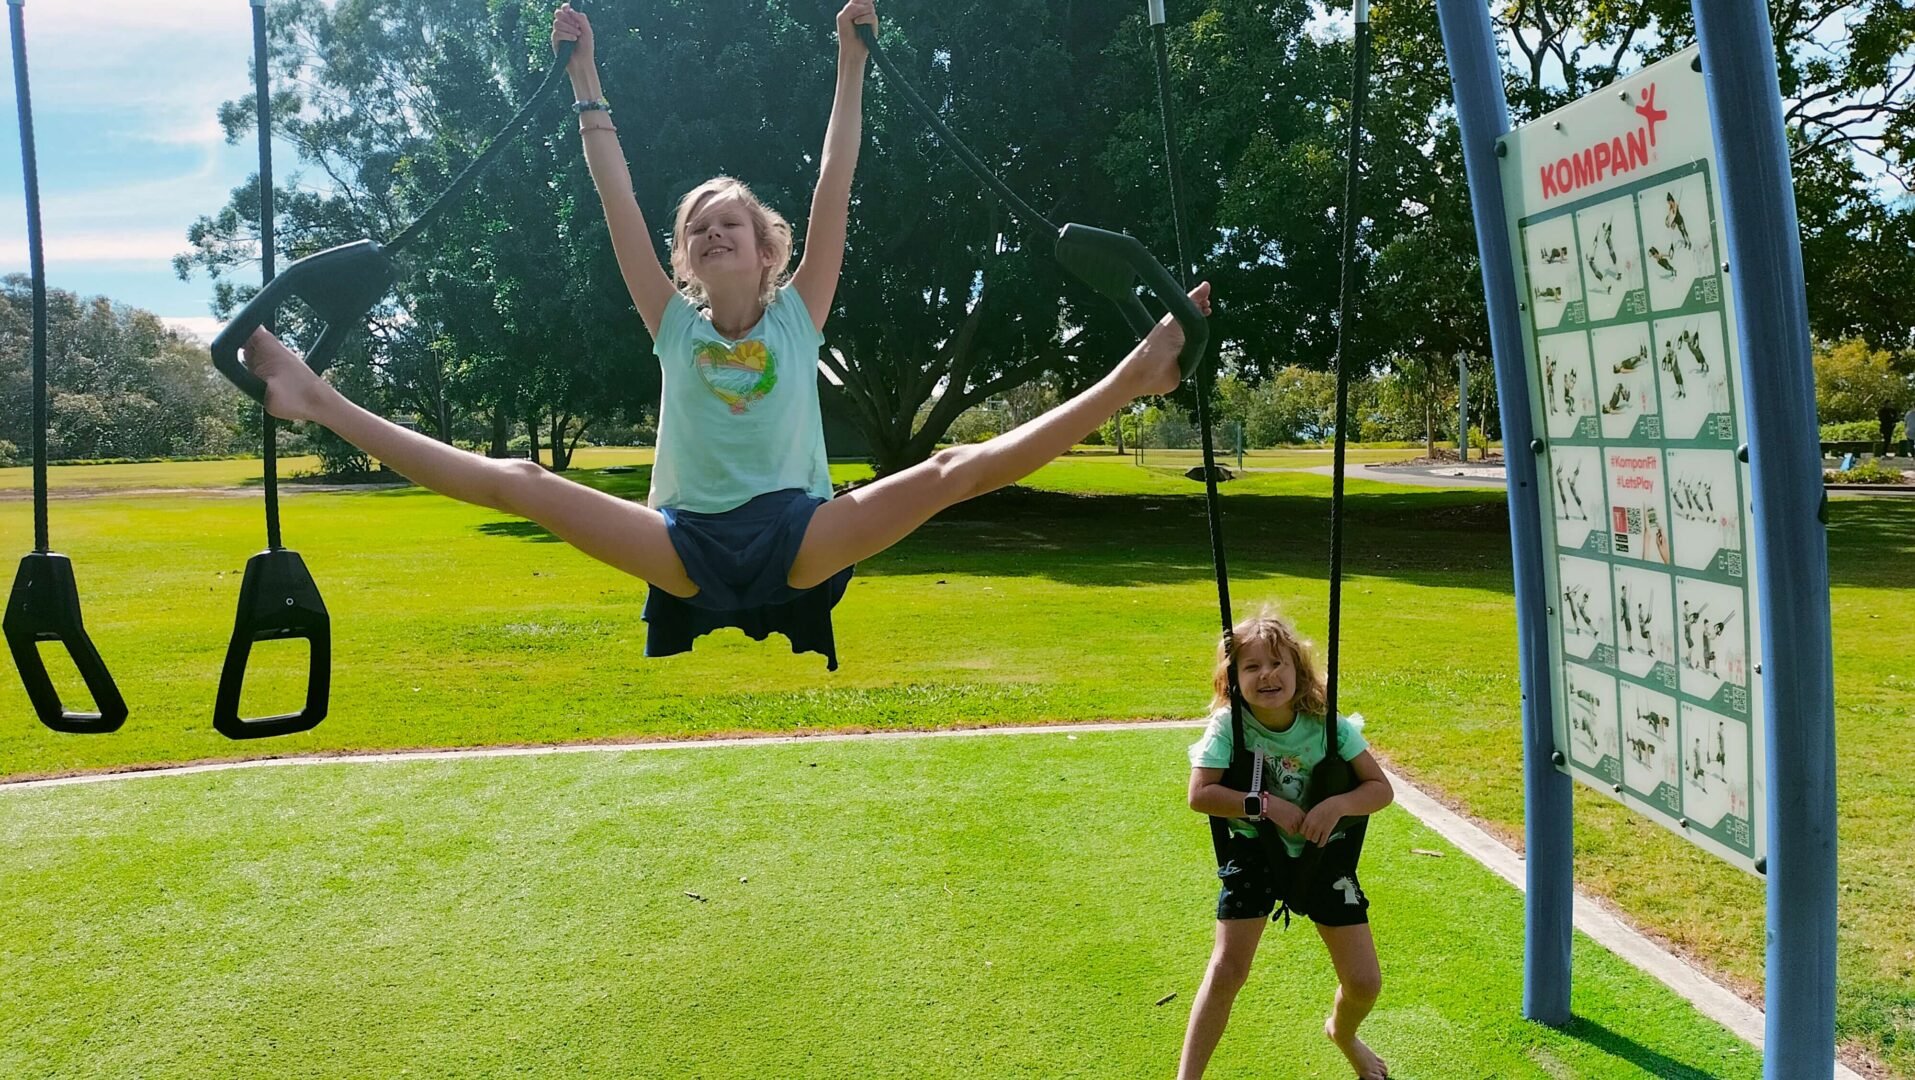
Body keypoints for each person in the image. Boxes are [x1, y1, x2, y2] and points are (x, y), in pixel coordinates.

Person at [239, 0, 1211, 670]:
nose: (713, 229)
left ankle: (1137, 374)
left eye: (731, 221)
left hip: (797, 535)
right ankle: (312, 398)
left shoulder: (799, 313)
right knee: (522, 481)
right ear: (686, 259)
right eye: (698, 225)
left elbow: (835, 181)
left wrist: (849, 64)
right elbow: (614, 195)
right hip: (686, 542)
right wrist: (585, 76)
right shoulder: (671, 325)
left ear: (766, 248)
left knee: (955, 468)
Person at [1178, 608, 1395, 1080]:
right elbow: (1201, 795)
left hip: (1323, 855)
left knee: (1364, 982)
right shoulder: (1229, 727)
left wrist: (1336, 806)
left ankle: (1342, 1032)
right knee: (1227, 970)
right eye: (1251, 666)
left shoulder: (1328, 726)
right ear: (1233, 680)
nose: (1267, 675)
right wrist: (1265, 805)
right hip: (1256, 852)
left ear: (1299, 671)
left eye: (1278, 664)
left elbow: (1380, 790)